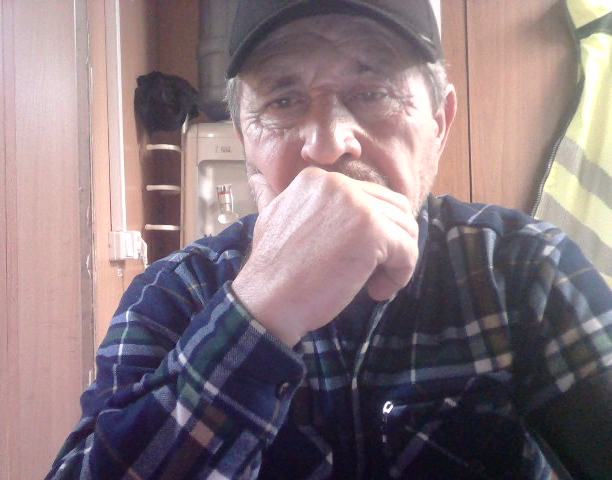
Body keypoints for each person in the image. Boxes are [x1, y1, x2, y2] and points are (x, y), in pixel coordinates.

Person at [47, 1, 612, 479]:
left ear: (439, 123)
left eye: (373, 92)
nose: (327, 144)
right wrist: (257, 312)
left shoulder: (525, 269)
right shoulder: (175, 293)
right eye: (283, 101)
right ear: (245, 141)